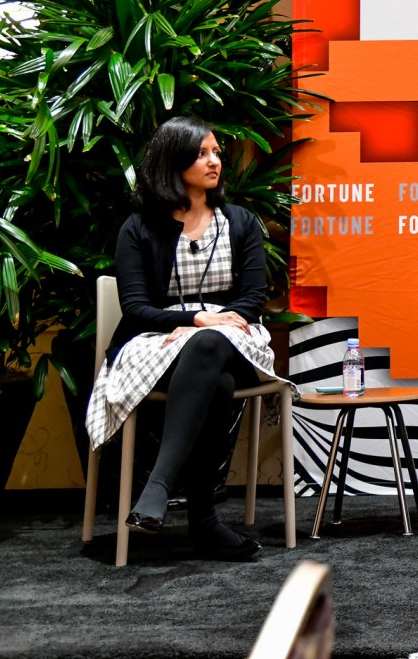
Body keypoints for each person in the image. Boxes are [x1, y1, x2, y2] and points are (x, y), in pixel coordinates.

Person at [85, 116, 280, 561]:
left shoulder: (241, 222)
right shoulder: (139, 227)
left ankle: (157, 487)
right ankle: (204, 522)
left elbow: (253, 298)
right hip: (156, 340)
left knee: (212, 347)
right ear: (173, 161)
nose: (215, 162)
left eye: (216, 153)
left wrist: (213, 323)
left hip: (234, 337)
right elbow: (136, 307)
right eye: (202, 153)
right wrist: (194, 320)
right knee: (219, 382)